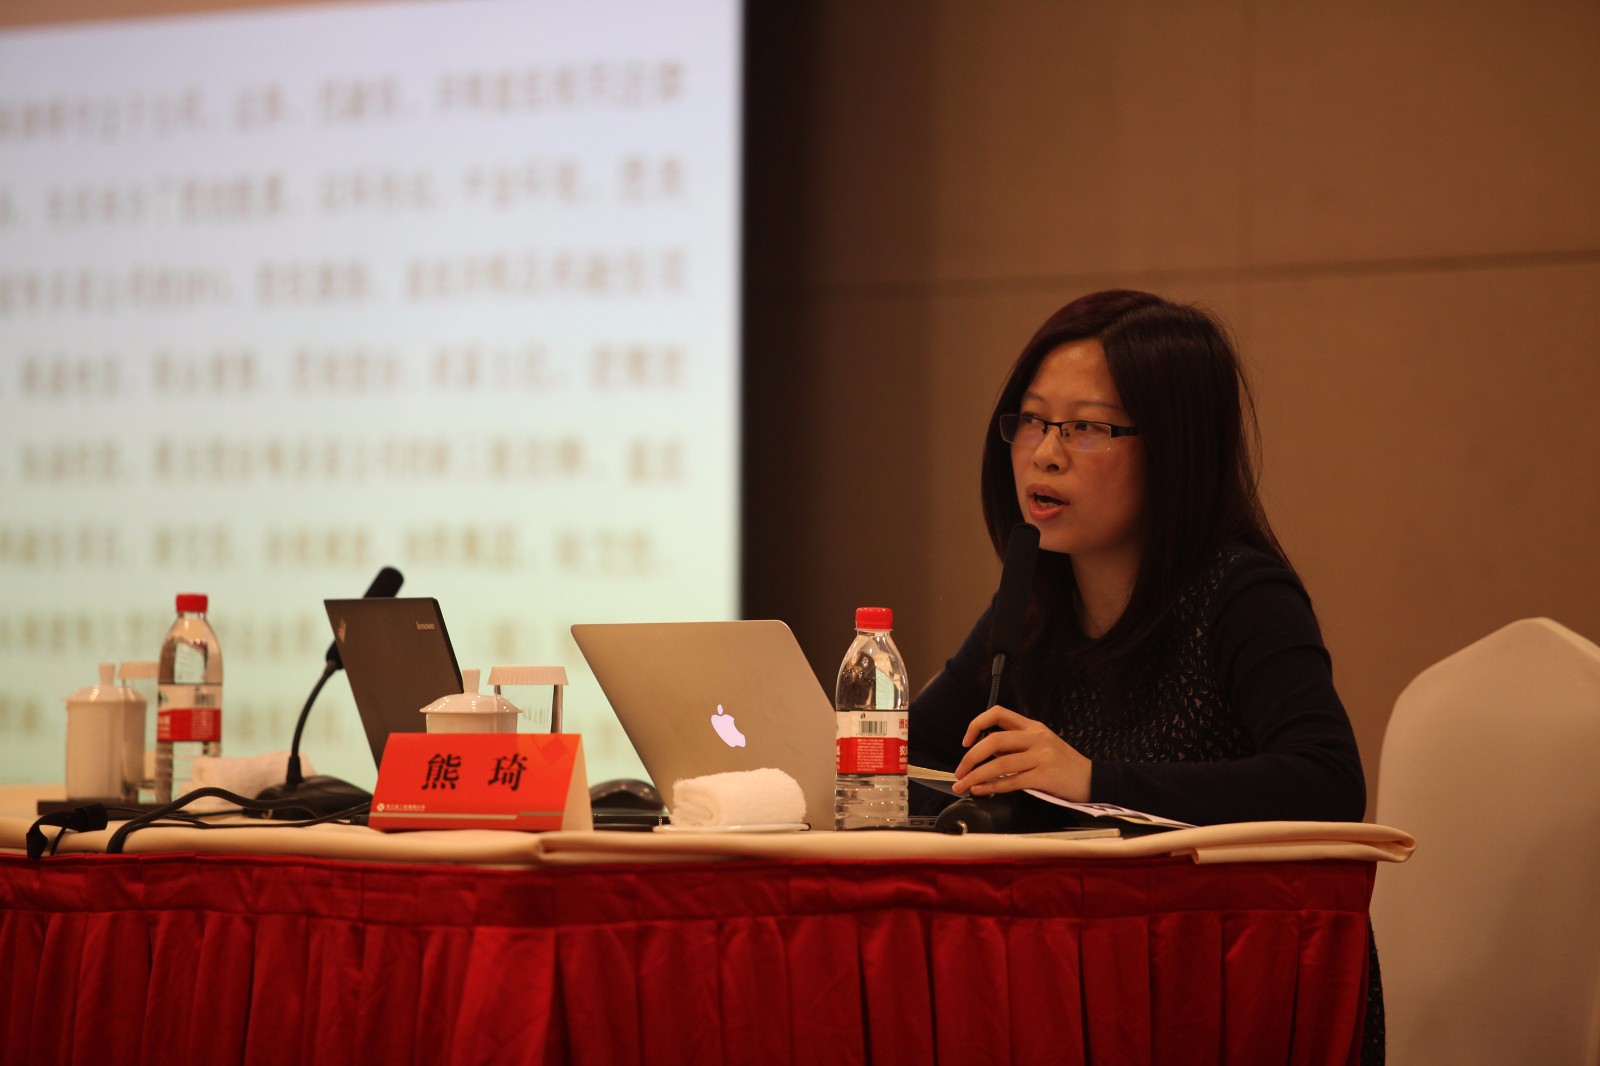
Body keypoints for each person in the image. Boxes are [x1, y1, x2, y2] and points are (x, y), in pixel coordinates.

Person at [909, 289, 1382, 1058]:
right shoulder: (1032, 605)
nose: (1045, 453)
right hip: (1084, 980)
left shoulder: (1242, 598)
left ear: (1173, 451)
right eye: (1032, 420)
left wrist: (1093, 782)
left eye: (1088, 427)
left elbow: (1327, 782)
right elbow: (914, 755)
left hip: (1227, 987)